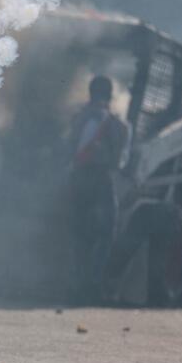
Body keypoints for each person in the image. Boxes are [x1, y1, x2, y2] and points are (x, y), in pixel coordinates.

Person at [67, 75, 129, 302]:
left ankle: (75, 284)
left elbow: (69, 146)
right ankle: (92, 285)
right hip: (100, 181)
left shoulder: (78, 118)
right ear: (109, 95)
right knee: (105, 231)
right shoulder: (113, 123)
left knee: (79, 233)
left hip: (77, 180)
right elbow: (120, 160)